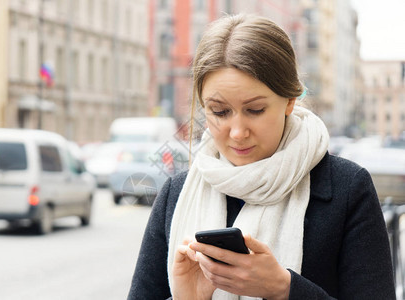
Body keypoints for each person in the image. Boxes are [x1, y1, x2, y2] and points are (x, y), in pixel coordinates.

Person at [128, 14, 395, 300]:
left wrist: (284, 288)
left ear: (290, 101)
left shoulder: (348, 189)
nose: (238, 132)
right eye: (219, 111)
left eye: (255, 110)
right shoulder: (176, 194)